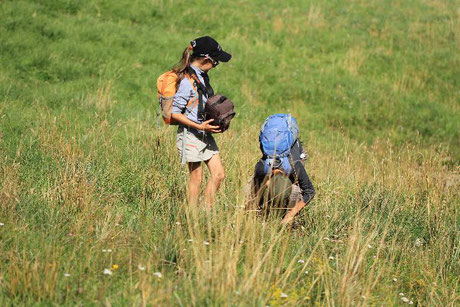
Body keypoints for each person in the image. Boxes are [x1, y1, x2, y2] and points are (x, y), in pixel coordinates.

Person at [170, 36, 231, 208]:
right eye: (216, 62)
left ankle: (205, 212)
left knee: (218, 174)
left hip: (203, 133)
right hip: (190, 134)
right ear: (206, 59)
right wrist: (199, 126)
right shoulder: (186, 81)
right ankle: (193, 218)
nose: (216, 65)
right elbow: (174, 113)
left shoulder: (202, 77)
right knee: (196, 178)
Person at [252, 119, 315, 225]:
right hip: (272, 148)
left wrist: (290, 214)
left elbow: (310, 191)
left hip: (295, 152)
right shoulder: (261, 167)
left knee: (296, 189)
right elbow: (256, 188)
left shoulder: (295, 166)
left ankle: (287, 204)